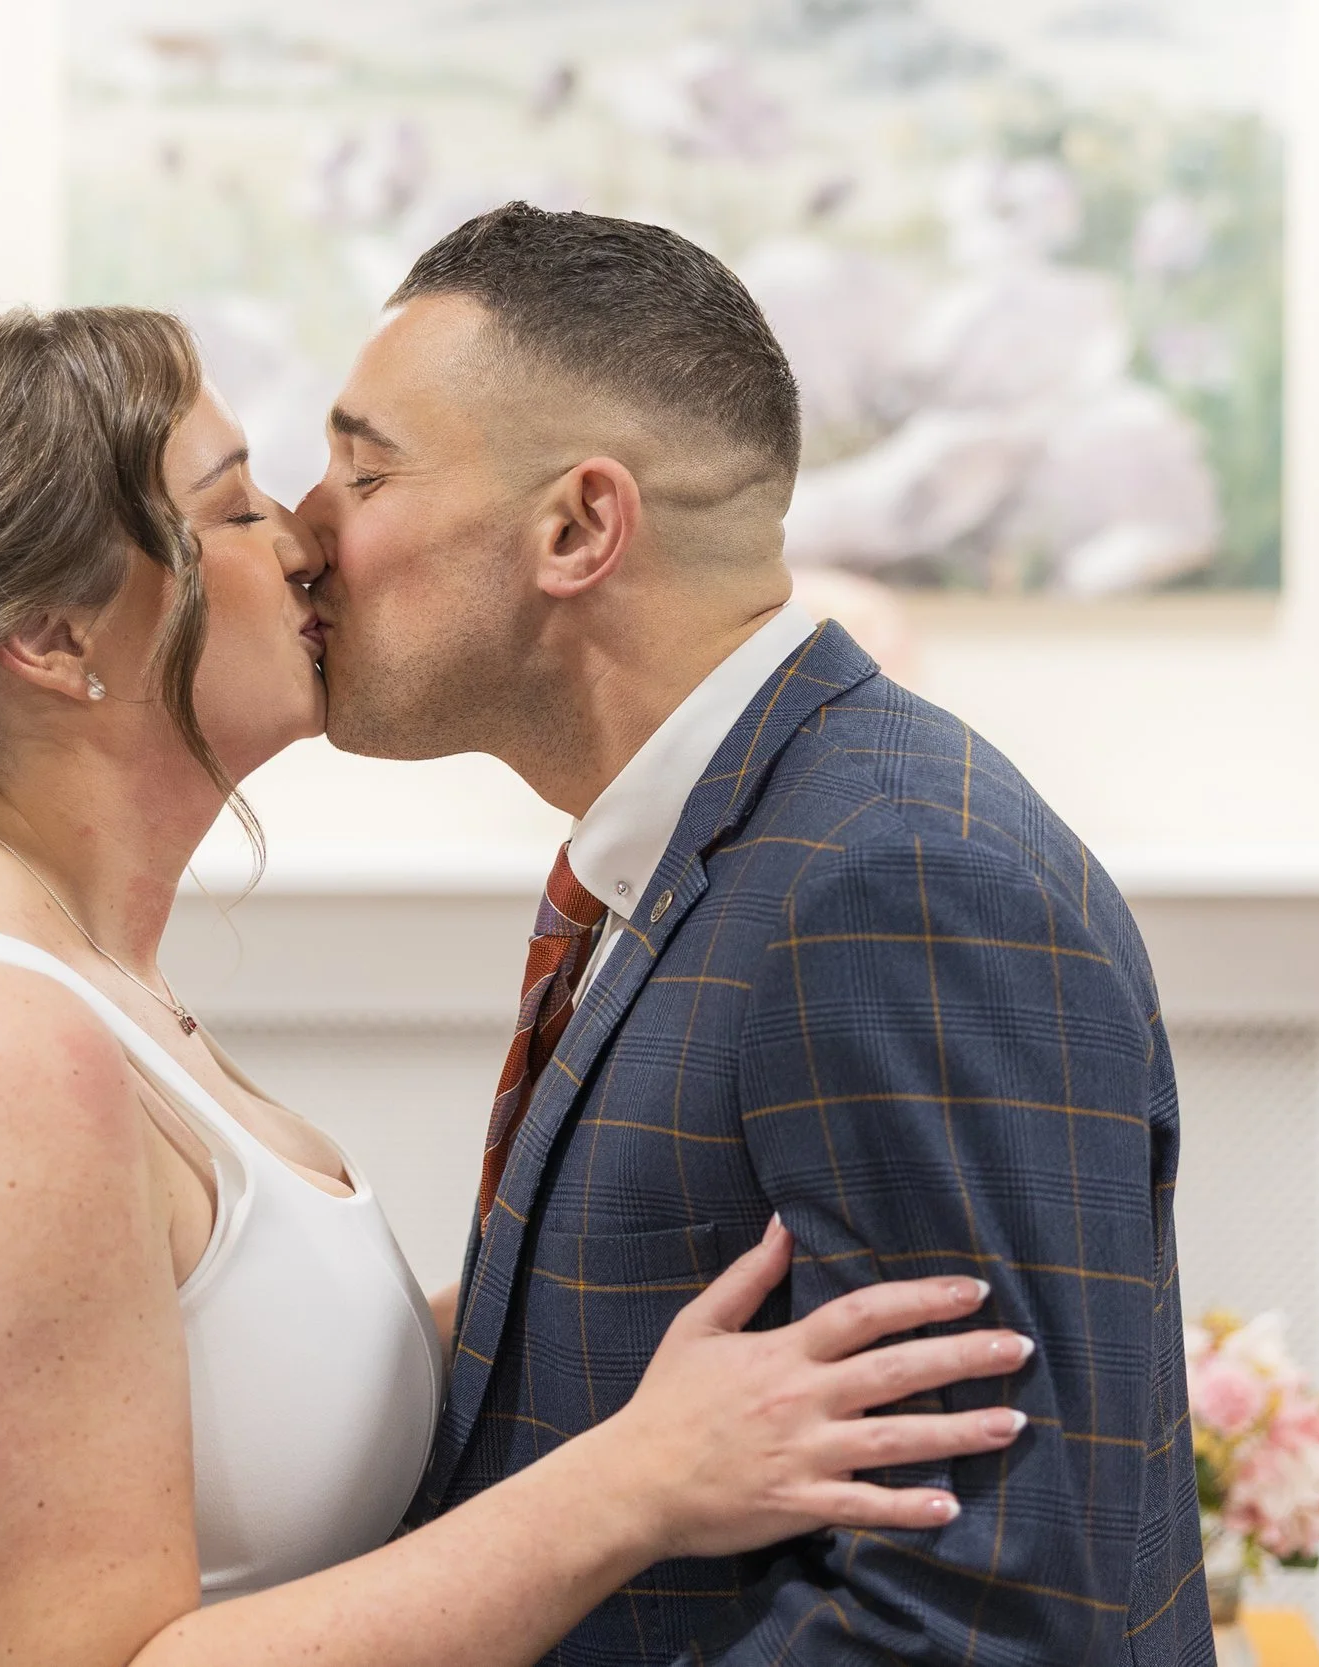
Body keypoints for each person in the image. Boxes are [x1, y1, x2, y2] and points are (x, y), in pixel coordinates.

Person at [0, 307, 1035, 1667]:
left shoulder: (30, 966)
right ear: (54, 640)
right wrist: (631, 1486)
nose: (309, 537)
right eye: (235, 506)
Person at [297, 203, 1211, 1665]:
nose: (303, 534)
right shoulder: (734, 839)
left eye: (363, 470)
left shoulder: (897, 877)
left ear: (579, 525)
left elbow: (981, 1623)